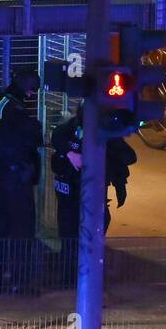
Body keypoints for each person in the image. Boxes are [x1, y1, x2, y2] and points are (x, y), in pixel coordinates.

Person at [0, 66, 43, 291]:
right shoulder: (13, 107)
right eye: (31, 90)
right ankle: (20, 281)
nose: (32, 95)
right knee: (22, 229)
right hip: (14, 176)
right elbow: (31, 136)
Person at [49, 100, 137, 245]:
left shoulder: (105, 133)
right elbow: (56, 136)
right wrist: (71, 154)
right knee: (69, 234)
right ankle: (72, 264)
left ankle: (85, 259)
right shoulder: (71, 128)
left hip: (93, 189)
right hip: (70, 190)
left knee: (95, 227)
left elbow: (129, 157)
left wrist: (105, 150)